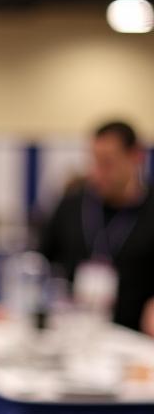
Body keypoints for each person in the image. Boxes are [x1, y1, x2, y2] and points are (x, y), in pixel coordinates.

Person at [39, 120, 154, 334]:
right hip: (74, 335)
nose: (97, 172)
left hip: (135, 338)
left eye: (107, 163)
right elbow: (40, 261)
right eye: (94, 161)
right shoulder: (72, 206)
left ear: (136, 157)